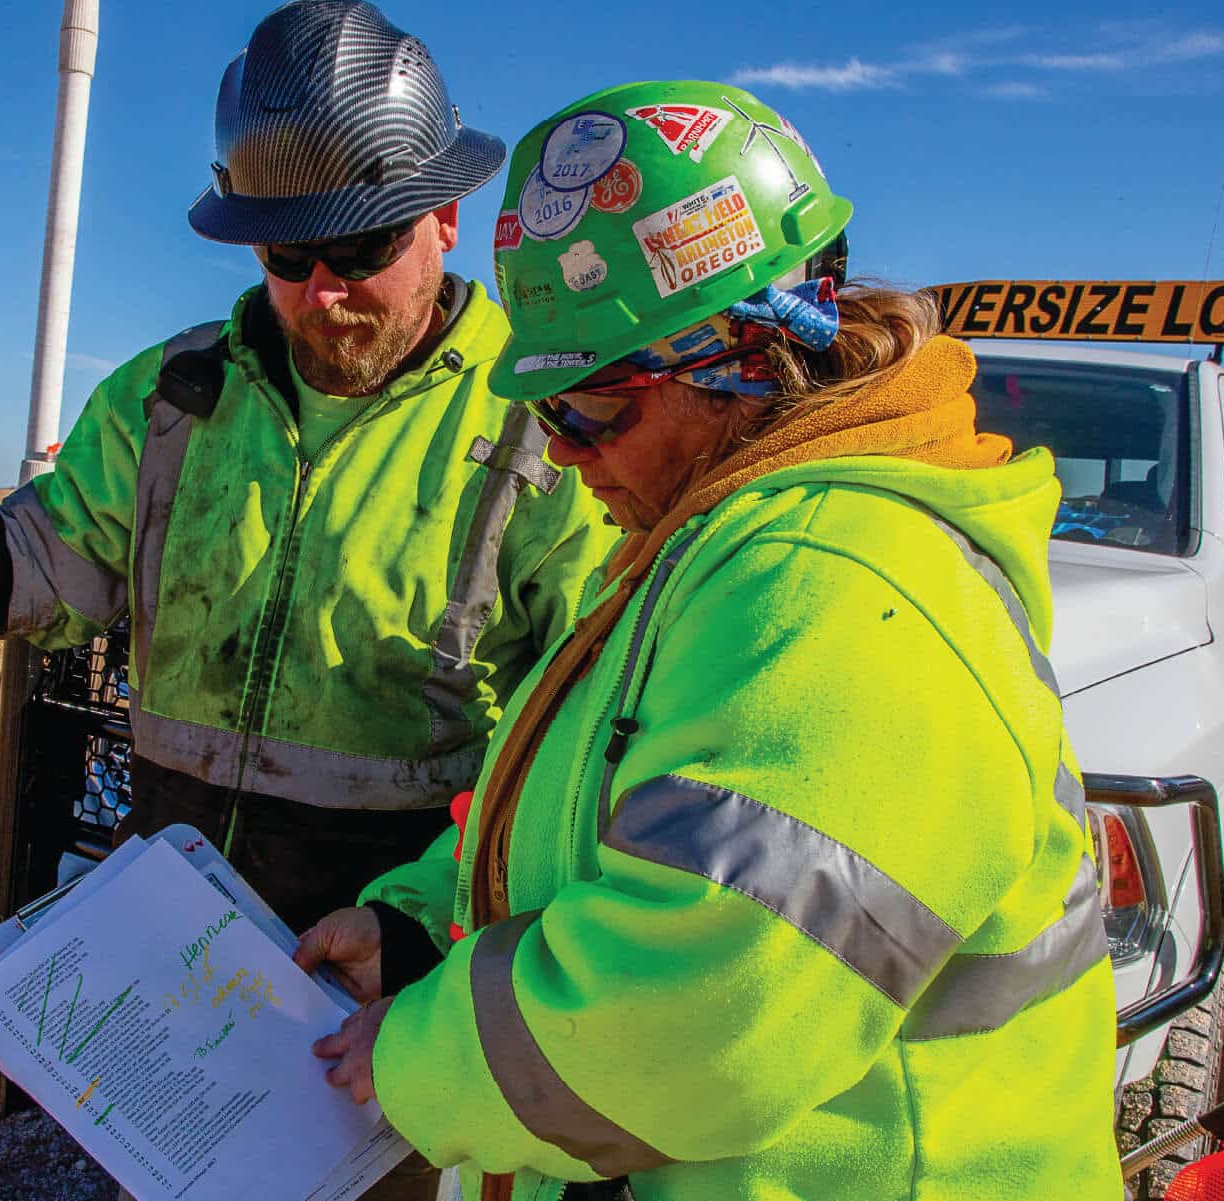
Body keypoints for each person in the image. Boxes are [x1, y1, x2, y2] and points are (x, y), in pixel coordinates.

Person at [297, 80, 1124, 1201]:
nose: (567, 454)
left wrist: (415, 1058)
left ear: (748, 359)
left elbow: (698, 1014)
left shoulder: (843, 585)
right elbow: (608, 807)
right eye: (547, 416)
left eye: (595, 410)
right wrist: (416, 935)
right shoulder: (715, 547)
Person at [0, 0, 608, 1053]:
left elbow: (585, 753)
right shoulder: (170, 401)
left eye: (359, 246)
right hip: (175, 962)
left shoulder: (551, 428)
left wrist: (423, 933)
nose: (324, 293)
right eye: (288, 257)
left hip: (394, 990)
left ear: (446, 216)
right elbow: (23, 576)